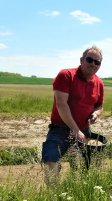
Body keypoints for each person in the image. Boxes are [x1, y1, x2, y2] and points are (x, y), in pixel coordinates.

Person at [42, 46, 104, 187]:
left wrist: (96, 114)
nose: (93, 64)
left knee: (81, 167)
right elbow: (61, 104)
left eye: (97, 62)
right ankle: (53, 198)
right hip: (60, 129)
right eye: (90, 60)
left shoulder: (99, 83)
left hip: (84, 130)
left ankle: (76, 194)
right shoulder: (66, 75)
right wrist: (76, 132)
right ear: (81, 60)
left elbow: (99, 106)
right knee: (51, 161)